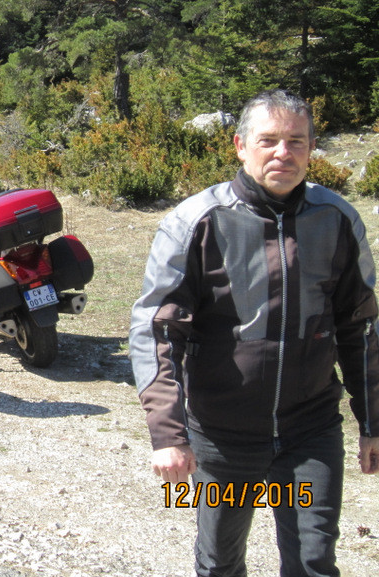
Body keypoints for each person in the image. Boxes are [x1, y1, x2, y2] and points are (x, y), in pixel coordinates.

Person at [129, 89, 379, 576]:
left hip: (310, 431)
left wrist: (372, 422)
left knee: (313, 561)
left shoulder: (337, 219)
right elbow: (157, 330)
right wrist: (167, 434)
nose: (283, 153)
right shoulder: (196, 221)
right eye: (269, 140)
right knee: (219, 563)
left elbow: (361, 326)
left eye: (296, 141)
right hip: (221, 440)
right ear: (241, 145)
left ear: (310, 149)